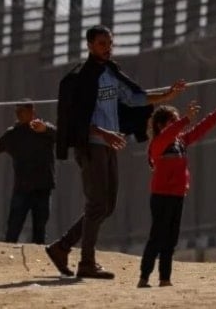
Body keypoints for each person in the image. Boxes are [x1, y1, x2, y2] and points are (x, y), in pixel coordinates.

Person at [45, 25, 188, 279]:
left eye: (110, 43)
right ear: (90, 45)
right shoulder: (80, 77)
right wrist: (104, 133)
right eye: (102, 43)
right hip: (91, 146)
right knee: (97, 203)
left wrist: (167, 95)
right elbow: (76, 119)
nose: (107, 48)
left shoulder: (110, 72)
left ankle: (62, 247)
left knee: (106, 206)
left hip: (110, 145)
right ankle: (86, 262)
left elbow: (134, 98)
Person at [138, 94, 216, 288]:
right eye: (173, 120)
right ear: (161, 125)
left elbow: (199, 130)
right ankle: (144, 277)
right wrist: (186, 119)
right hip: (161, 195)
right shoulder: (158, 144)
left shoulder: (180, 142)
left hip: (178, 195)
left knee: (170, 239)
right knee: (157, 237)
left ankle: (165, 278)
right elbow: (169, 134)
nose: (177, 124)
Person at [0, 99, 56, 244]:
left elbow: (61, 137)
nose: (19, 115)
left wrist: (45, 129)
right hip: (22, 187)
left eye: (22, 112)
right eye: (17, 112)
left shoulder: (44, 129)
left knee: (40, 229)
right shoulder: (13, 134)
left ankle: (36, 260)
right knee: (13, 228)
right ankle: (8, 262)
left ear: (32, 113)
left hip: (42, 187)